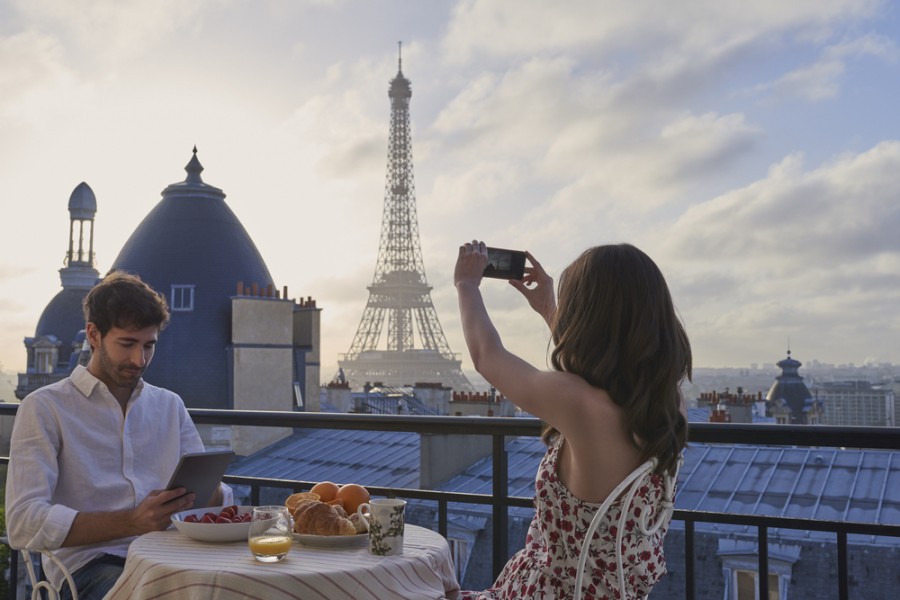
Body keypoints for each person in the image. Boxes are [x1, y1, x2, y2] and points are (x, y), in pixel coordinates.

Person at [454, 241, 690, 600]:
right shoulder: (669, 404)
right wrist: (549, 307)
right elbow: (607, 367)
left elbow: (487, 356)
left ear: (587, 316)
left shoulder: (579, 404)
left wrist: (466, 285)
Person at [6, 271, 232, 600]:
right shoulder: (44, 407)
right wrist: (132, 522)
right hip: (90, 568)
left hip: (171, 557)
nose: (139, 360)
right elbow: (23, 522)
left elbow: (210, 500)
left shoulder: (169, 405)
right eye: (127, 344)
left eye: (149, 345)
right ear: (94, 335)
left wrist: (206, 491)